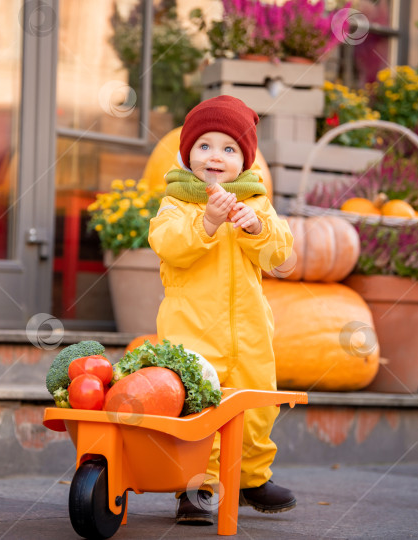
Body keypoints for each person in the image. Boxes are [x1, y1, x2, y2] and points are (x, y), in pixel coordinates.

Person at [147, 95, 295, 525]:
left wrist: (257, 228)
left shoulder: (255, 201)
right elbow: (169, 245)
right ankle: (197, 486)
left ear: (244, 161)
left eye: (229, 149)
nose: (216, 156)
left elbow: (280, 256)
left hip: (249, 330)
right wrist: (207, 222)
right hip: (193, 329)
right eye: (205, 146)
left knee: (256, 404)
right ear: (187, 152)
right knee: (198, 407)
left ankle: (251, 477)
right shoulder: (177, 202)